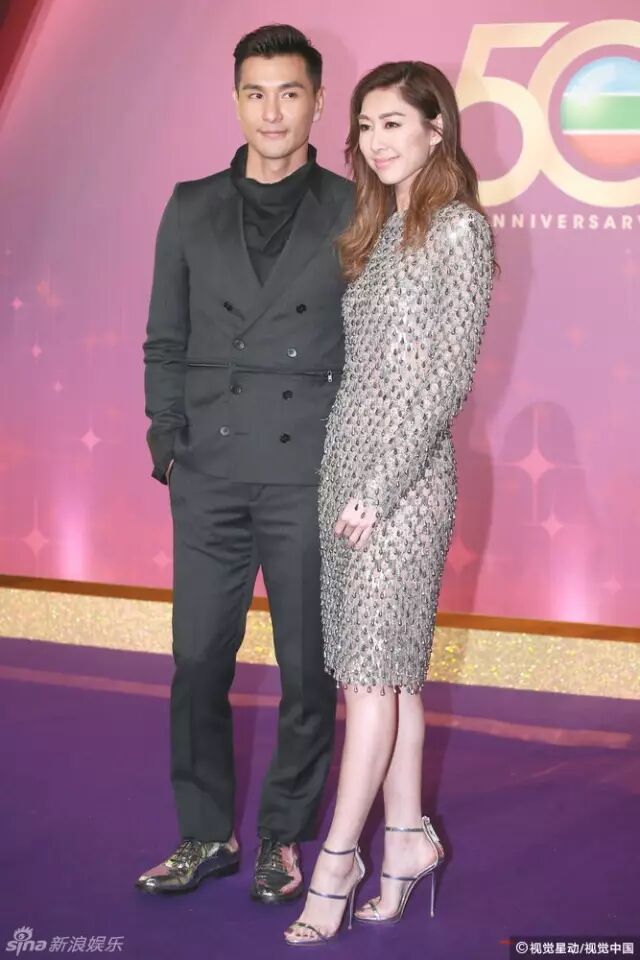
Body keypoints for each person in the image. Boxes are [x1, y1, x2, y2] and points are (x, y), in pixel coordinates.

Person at [138, 24, 353, 905]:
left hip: (307, 472)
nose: (272, 111)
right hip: (211, 470)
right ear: (236, 100)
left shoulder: (355, 207)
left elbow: (372, 348)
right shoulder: (189, 204)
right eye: (256, 93)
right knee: (197, 661)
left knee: (307, 671)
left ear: (317, 101)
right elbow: (164, 335)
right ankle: (204, 834)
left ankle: (282, 839)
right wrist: (167, 442)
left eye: (289, 93)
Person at [284, 60, 495, 945]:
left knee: (369, 683)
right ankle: (406, 838)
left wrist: (378, 489)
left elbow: (444, 380)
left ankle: (337, 861)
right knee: (391, 675)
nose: (375, 141)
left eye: (394, 123)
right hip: (346, 474)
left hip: (401, 491)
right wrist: (347, 478)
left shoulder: (458, 230)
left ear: (436, 128)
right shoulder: (375, 229)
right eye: (365, 126)